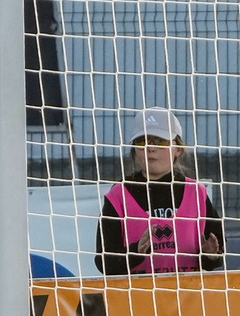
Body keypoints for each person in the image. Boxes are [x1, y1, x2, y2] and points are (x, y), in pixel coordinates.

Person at [94, 107, 224, 276]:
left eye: (160, 141)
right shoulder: (118, 195)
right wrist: (135, 252)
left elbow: (218, 252)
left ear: (178, 149)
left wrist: (209, 255)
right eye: (142, 142)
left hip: (188, 298)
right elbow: (103, 262)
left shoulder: (196, 193)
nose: (150, 148)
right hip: (137, 299)